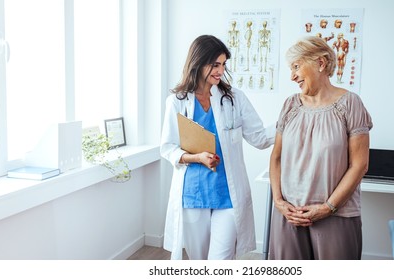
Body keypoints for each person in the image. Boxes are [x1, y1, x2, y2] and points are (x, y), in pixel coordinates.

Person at [160, 35, 275, 260]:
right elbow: (168, 147)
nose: (220, 70)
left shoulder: (233, 98)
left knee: (220, 262)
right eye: (215, 64)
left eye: (223, 64)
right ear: (198, 62)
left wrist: (287, 122)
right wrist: (197, 158)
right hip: (193, 194)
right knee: (199, 260)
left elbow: (259, 137)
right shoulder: (178, 100)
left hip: (228, 195)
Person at [268, 36, 373, 260]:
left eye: (296, 66)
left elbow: (359, 165)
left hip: (336, 215)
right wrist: (278, 202)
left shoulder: (350, 104)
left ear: (320, 63)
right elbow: (276, 158)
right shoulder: (289, 105)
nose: (292, 76)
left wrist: (327, 208)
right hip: (289, 215)